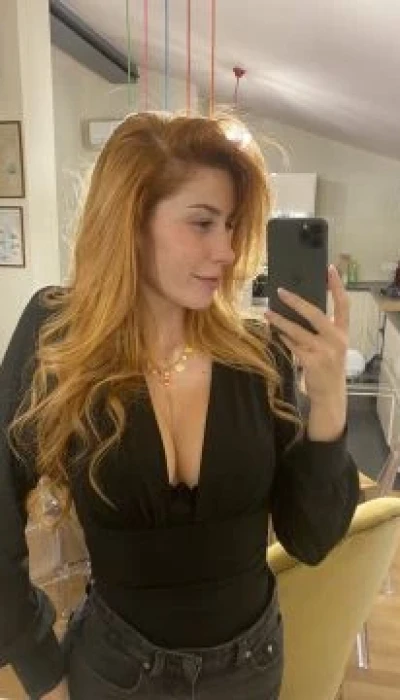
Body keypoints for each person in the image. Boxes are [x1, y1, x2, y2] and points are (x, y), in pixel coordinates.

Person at [0, 111, 359, 700]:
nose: (227, 251)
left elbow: (311, 539)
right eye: (202, 222)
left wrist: (328, 398)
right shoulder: (57, 337)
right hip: (112, 673)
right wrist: (38, 664)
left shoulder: (257, 354)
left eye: (232, 226)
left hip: (250, 671)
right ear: (130, 219)